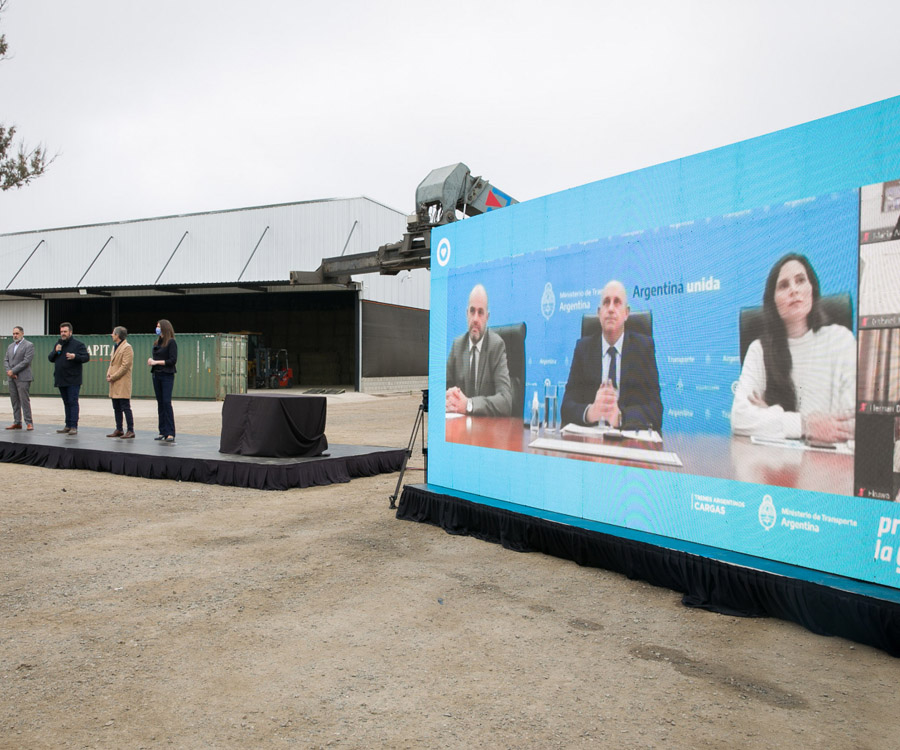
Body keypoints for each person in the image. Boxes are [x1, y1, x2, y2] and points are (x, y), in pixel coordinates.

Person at [731, 253, 856, 442]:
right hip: (776, 466)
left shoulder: (840, 340)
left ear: (812, 289)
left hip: (830, 464)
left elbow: (851, 424)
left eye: (800, 280)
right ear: (772, 301)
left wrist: (770, 415)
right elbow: (740, 418)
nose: (794, 290)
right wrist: (805, 425)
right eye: (783, 285)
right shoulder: (759, 350)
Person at [561, 280, 663, 431]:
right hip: (591, 444)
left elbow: (656, 411)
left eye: (617, 302)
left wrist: (620, 417)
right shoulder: (583, 349)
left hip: (629, 445)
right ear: (599, 312)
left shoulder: (643, 348)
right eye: (606, 302)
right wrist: (591, 412)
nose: (610, 309)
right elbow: (566, 407)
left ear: (626, 313)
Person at [445, 284, 513, 417]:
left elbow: (506, 401)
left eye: (480, 312)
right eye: (472, 311)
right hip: (460, 430)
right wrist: (448, 396)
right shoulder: (457, 346)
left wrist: (469, 405)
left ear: (487, 317)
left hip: (487, 431)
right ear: (466, 314)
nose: (475, 319)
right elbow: (441, 390)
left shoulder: (496, 346)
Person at [48, 322, 90, 435]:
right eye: (61, 331)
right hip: (61, 379)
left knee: (72, 402)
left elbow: (86, 357)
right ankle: (67, 425)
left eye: (65, 331)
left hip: (73, 379)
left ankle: (73, 426)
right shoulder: (58, 344)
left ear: (70, 332)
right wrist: (56, 351)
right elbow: (50, 358)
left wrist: (74, 356)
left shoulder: (78, 345)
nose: (63, 334)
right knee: (66, 402)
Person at [148, 319, 177, 442]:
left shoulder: (171, 343)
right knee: (160, 403)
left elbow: (172, 360)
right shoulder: (157, 343)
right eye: (156, 326)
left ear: (165, 328)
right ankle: (162, 431)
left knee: (166, 402)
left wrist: (156, 362)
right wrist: (151, 361)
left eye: (159, 326)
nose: (157, 328)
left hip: (167, 375)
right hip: (156, 374)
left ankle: (170, 432)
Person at [106, 326, 135, 439]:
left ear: (117, 335)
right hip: (114, 381)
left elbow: (125, 366)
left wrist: (113, 376)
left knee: (125, 406)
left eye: (113, 333)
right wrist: (109, 374)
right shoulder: (115, 347)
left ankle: (130, 430)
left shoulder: (127, 348)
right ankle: (119, 429)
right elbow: (111, 363)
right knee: (116, 407)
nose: (111, 335)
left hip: (122, 381)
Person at [4, 326, 35, 430]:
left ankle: (29, 423)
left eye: (17, 333)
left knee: (24, 400)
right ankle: (17, 422)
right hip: (11, 377)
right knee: (14, 400)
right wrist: (9, 372)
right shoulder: (10, 346)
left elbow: (26, 361)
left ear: (22, 333)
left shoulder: (29, 345)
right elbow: (6, 360)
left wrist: (14, 371)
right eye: (13, 333)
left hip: (23, 377)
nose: (15, 335)